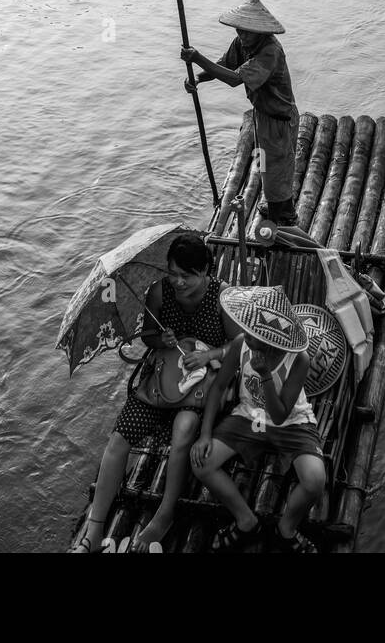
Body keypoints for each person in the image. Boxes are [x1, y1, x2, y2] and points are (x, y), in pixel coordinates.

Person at [71, 232, 238, 553]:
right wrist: (158, 340)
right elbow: (147, 336)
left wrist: (207, 355)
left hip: (202, 384)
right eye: (173, 273)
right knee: (120, 437)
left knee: (184, 428)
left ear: (205, 271)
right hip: (160, 380)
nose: (177, 282)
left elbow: (238, 343)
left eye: (186, 276)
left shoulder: (223, 297)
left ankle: (165, 513)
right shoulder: (158, 292)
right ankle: (94, 529)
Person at [190, 285, 325, 553]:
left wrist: (264, 374)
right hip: (248, 416)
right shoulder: (241, 343)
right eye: (248, 332)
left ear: (273, 340)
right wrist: (205, 435)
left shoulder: (299, 359)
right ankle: (245, 520)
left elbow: (279, 413)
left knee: (315, 481)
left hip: (291, 422)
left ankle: (286, 529)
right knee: (202, 465)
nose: (247, 337)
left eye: (254, 335)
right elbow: (218, 387)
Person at [182, 0, 299, 225]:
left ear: (259, 31)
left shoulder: (270, 51)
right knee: (265, 165)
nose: (242, 35)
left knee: (278, 170)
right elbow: (224, 66)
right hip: (261, 114)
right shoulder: (242, 43)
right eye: (239, 30)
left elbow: (235, 79)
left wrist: (197, 58)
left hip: (279, 119)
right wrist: (198, 77)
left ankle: (282, 219)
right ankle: (274, 204)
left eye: (247, 32)